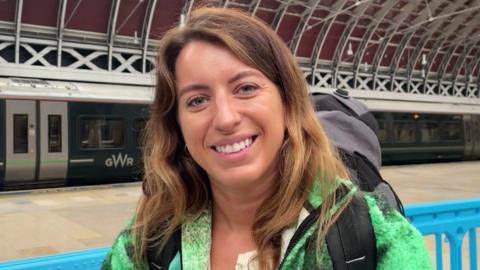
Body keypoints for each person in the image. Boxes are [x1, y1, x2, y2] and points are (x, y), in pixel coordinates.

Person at [102, 7, 433, 270]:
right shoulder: (149, 241)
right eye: (197, 100)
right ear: (177, 126)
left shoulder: (371, 235)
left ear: (288, 103)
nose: (226, 118)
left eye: (246, 88)